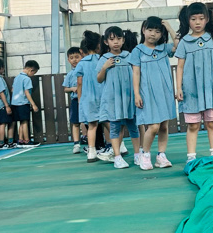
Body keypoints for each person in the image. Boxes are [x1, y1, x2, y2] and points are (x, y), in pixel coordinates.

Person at [175, 2, 213, 163]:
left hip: (211, 89)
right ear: (188, 20)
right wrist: (178, 87)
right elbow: (180, 67)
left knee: (211, 124)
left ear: (207, 19)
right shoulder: (184, 42)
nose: (197, 22)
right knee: (193, 126)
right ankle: (191, 158)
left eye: (201, 18)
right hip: (191, 91)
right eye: (193, 19)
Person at [129, 16, 179, 171]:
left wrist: (169, 27)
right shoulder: (137, 51)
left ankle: (161, 156)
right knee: (154, 126)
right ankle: (145, 154)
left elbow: (178, 46)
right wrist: (136, 94)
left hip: (164, 92)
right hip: (147, 93)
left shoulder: (164, 48)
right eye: (150, 30)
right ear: (143, 30)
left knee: (164, 126)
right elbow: (136, 73)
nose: (153, 34)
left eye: (157, 31)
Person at [96, 25, 140, 169]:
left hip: (129, 98)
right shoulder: (104, 58)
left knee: (133, 127)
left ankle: (137, 154)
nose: (116, 42)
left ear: (123, 40)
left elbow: (137, 73)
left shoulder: (129, 56)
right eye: (112, 39)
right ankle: (117, 157)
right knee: (115, 128)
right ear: (106, 42)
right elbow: (99, 79)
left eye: (119, 38)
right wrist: (105, 67)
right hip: (113, 99)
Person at [75, 31, 103, 163]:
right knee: (108, 123)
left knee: (92, 125)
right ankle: (118, 147)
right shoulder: (102, 60)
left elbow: (79, 82)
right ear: (98, 45)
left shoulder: (81, 63)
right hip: (103, 96)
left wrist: (80, 99)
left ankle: (91, 152)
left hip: (88, 97)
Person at [11, 59, 40, 147]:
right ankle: (27, 140)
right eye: (34, 73)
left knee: (21, 122)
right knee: (25, 122)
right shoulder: (27, 79)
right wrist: (33, 104)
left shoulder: (17, 77)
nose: (33, 75)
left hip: (15, 103)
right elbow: (27, 92)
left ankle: (20, 140)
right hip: (23, 103)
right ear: (31, 70)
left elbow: (12, 90)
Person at [62, 46, 83, 154]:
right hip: (75, 100)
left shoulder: (85, 70)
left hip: (85, 99)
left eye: (77, 57)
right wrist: (72, 89)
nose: (74, 60)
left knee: (89, 122)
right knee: (75, 122)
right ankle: (76, 144)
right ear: (68, 60)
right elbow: (65, 89)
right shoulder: (70, 74)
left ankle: (90, 142)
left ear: (82, 56)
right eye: (71, 58)